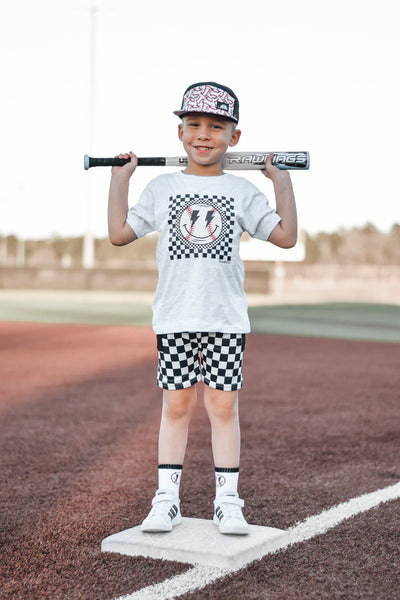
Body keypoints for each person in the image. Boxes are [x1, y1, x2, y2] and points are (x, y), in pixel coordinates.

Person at [107, 82, 297, 535]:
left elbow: (286, 236)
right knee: (175, 406)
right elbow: (118, 233)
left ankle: (227, 501)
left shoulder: (241, 191)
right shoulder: (162, 187)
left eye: (216, 126)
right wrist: (120, 181)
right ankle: (166, 499)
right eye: (194, 124)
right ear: (180, 132)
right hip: (175, 317)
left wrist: (282, 182)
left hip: (225, 319)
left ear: (234, 138)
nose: (203, 134)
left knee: (223, 406)